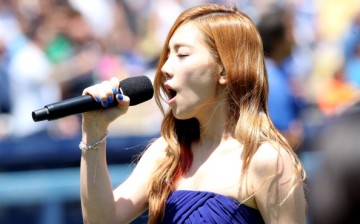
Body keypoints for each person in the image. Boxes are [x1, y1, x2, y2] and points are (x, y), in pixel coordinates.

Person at [79, 4, 306, 223]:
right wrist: (94, 129)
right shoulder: (167, 154)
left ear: (225, 69)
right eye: (167, 55)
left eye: (182, 55)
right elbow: (101, 220)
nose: (165, 68)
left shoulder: (265, 160)